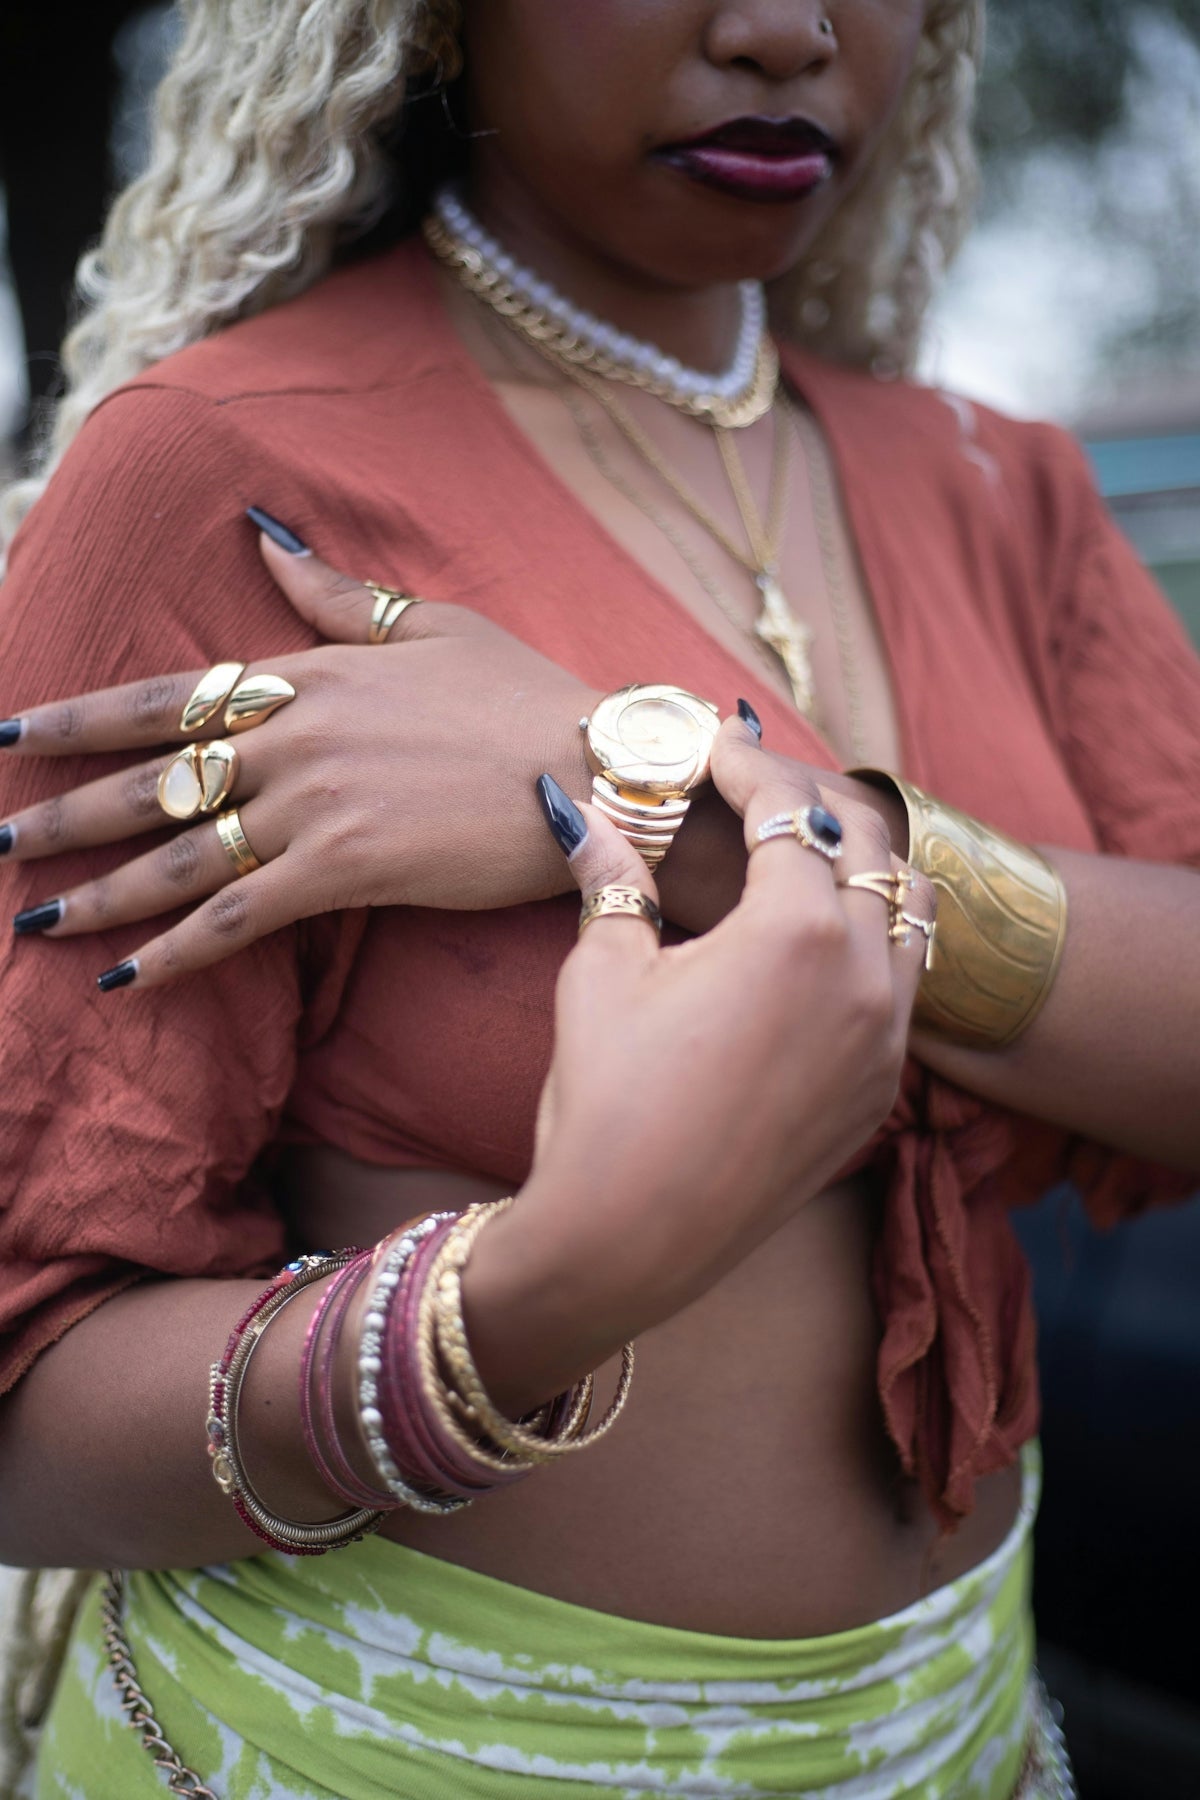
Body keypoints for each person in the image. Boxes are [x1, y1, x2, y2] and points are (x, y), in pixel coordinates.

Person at [0, 1, 1197, 1793]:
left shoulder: (997, 486)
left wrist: (662, 796)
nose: (784, 30)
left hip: (968, 1731)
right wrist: (532, 1302)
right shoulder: (234, 482)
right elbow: (27, 1400)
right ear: (436, 20)